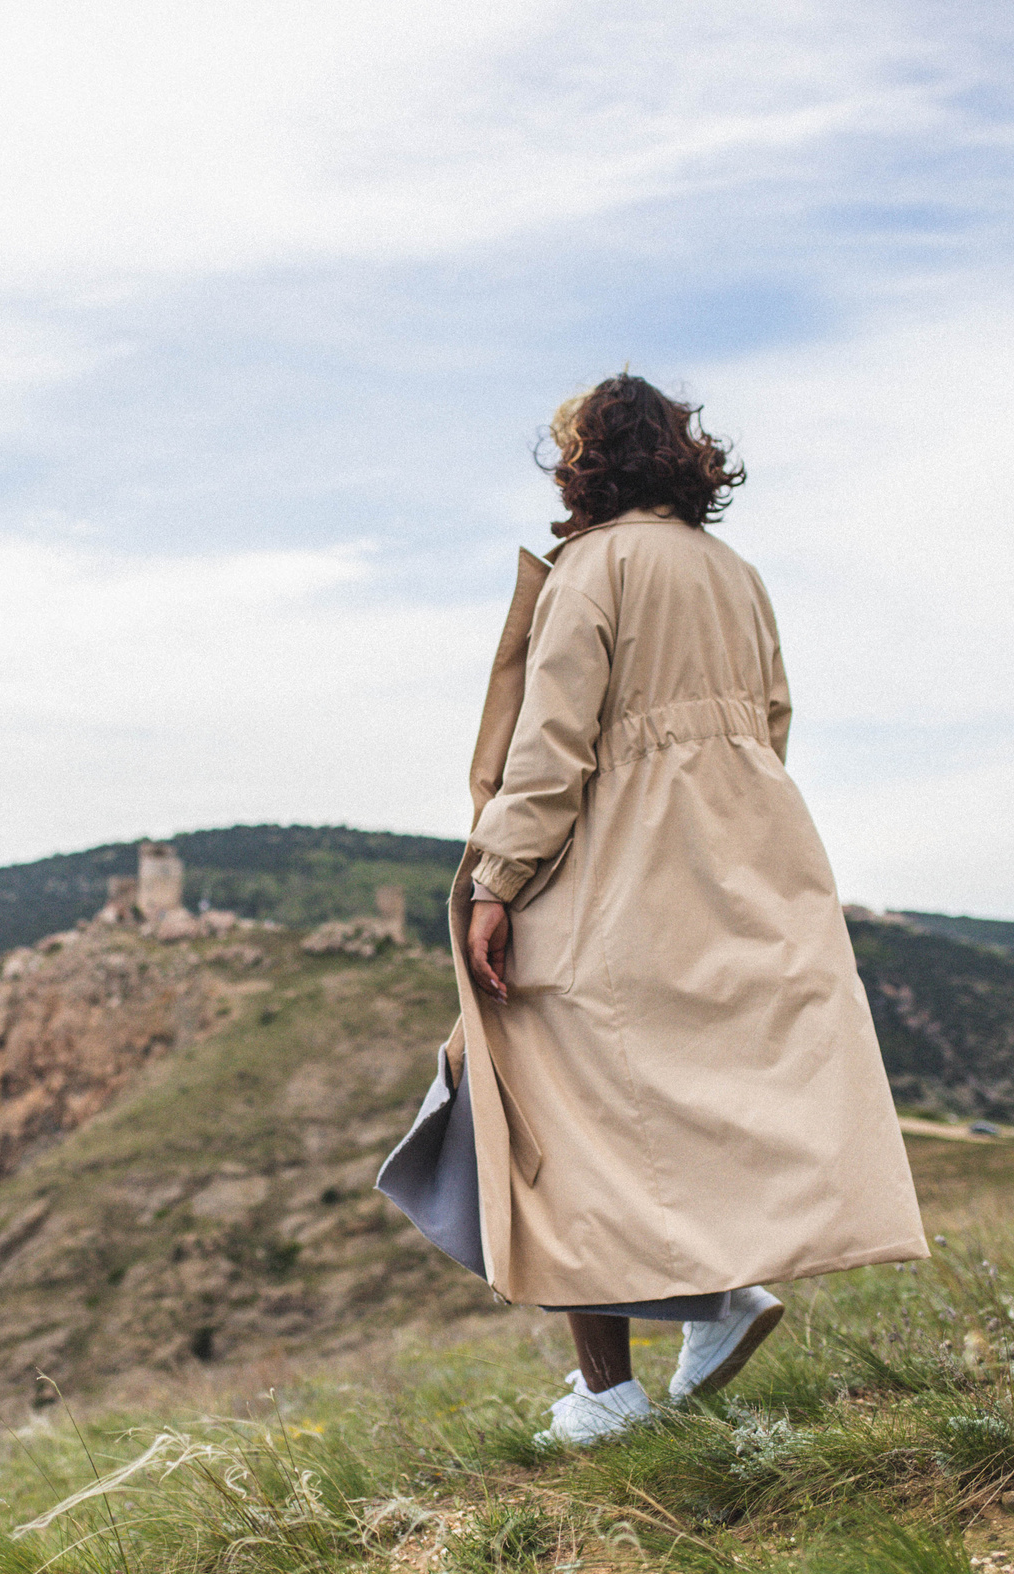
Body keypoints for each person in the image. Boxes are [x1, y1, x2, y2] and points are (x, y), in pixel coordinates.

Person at [376, 374, 928, 1447]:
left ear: (586, 462)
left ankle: (611, 1394)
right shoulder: (734, 572)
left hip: (610, 870)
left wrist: (496, 884)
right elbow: (769, 722)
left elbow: (551, 748)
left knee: (548, 1104)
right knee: (685, 1102)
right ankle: (720, 1305)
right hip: (737, 863)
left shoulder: (593, 569)